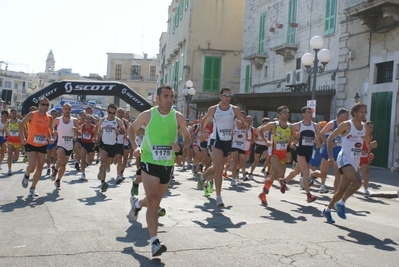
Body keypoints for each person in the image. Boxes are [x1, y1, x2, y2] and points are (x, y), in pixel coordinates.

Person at [128, 85, 191, 257]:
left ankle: (135, 204)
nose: (169, 100)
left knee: (152, 201)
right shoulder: (148, 115)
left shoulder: (177, 117)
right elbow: (131, 129)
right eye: (166, 96)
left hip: (167, 164)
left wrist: (180, 147)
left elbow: (188, 138)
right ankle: (154, 242)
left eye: (171, 96)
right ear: (157, 98)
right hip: (149, 160)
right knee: (154, 201)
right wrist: (136, 147)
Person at [321, 102, 372, 223]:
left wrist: (370, 148)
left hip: (355, 161)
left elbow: (366, 144)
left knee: (342, 189)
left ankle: (327, 210)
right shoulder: (346, 125)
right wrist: (330, 156)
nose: (364, 114)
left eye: (365, 112)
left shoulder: (364, 127)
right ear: (354, 112)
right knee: (358, 182)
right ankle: (341, 203)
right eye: (361, 112)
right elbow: (329, 139)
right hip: (344, 158)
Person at [200, 88, 243, 207]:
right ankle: (218, 197)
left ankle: (203, 176)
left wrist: (241, 124)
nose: (227, 98)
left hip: (228, 141)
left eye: (229, 96)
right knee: (219, 169)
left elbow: (242, 122)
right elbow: (204, 120)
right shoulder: (214, 109)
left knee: (219, 166)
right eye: (225, 95)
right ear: (220, 96)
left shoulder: (235, 109)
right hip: (216, 140)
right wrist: (202, 132)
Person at [280, 106, 321, 202]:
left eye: (311, 112)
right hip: (299, 151)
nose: (311, 114)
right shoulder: (297, 125)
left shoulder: (315, 126)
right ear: (303, 114)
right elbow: (290, 136)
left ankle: (284, 181)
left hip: (309, 151)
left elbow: (318, 138)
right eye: (308, 112)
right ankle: (308, 195)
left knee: (296, 172)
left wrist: (318, 142)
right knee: (306, 172)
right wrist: (294, 142)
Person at [257, 106, 294, 207]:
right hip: (273, 153)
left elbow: (292, 139)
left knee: (274, 174)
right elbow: (259, 130)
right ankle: (266, 188)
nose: (287, 114)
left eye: (288, 112)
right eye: (284, 112)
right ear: (279, 115)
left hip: (283, 153)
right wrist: (266, 141)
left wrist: (293, 144)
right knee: (280, 173)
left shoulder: (290, 126)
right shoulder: (273, 125)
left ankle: (263, 194)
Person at [19, 97, 53, 197]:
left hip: (42, 144)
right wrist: (22, 137)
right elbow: (21, 124)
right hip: (31, 143)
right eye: (43, 104)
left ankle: (33, 188)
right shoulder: (32, 115)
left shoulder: (49, 117)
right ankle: (26, 174)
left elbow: (49, 130)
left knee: (40, 167)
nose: (45, 107)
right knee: (32, 166)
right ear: (39, 105)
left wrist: (51, 137)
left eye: (47, 105)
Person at [311, 108, 349, 193]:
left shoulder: (346, 125)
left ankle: (336, 196)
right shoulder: (332, 124)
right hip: (328, 151)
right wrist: (328, 142)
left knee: (338, 174)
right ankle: (312, 174)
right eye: (346, 116)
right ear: (340, 116)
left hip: (339, 152)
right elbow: (321, 134)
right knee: (323, 174)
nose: (347, 118)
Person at [95, 103, 125, 192]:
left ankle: (101, 173)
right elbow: (97, 128)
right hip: (104, 144)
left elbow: (123, 131)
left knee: (108, 163)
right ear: (107, 111)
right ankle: (103, 183)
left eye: (113, 113)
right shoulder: (103, 120)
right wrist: (96, 136)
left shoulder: (118, 121)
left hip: (113, 145)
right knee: (103, 163)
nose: (111, 115)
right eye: (110, 112)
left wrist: (119, 131)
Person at [50, 103, 81, 190]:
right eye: (65, 109)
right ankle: (55, 170)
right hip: (60, 144)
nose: (67, 110)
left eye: (69, 109)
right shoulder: (57, 120)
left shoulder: (75, 120)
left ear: (71, 110)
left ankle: (58, 180)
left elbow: (80, 133)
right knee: (62, 159)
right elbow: (50, 129)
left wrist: (76, 131)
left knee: (63, 165)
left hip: (69, 145)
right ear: (62, 110)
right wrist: (54, 132)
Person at [359, 121, 377, 197]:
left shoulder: (370, 137)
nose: (371, 129)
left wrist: (370, 151)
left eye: (372, 128)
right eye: (370, 127)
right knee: (350, 174)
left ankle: (365, 190)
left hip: (365, 156)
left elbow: (368, 147)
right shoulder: (360, 135)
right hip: (357, 156)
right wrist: (360, 150)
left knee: (366, 173)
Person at [3, 109, 21, 175]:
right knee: (9, 155)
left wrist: (22, 136)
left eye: (15, 113)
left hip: (17, 142)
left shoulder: (19, 122)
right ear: (10, 114)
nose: (14, 115)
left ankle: (15, 157)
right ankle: (9, 169)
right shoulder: (8, 122)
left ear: (17, 114)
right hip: (10, 141)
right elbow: (4, 130)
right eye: (12, 113)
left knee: (16, 157)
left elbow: (23, 131)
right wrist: (5, 135)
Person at [80, 114, 97, 180]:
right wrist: (76, 135)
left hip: (91, 144)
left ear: (91, 120)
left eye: (89, 119)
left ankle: (87, 163)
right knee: (82, 158)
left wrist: (95, 138)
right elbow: (79, 133)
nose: (87, 120)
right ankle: (83, 173)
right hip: (84, 143)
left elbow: (97, 134)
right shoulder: (82, 126)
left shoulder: (93, 127)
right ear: (85, 119)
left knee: (90, 161)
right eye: (86, 119)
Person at [46, 109, 59, 175]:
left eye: (55, 114)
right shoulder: (49, 123)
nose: (54, 116)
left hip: (56, 141)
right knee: (48, 155)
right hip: (49, 141)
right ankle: (48, 168)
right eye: (53, 114)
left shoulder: (59, 123)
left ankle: (53, 165)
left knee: (55, 154)